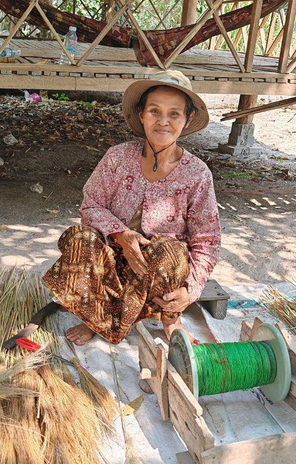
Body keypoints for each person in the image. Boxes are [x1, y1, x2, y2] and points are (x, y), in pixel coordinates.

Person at [43, 70, 221, 346]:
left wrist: (192, 289)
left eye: (175, 114)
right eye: (154, 111)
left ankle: (170, 320)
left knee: (169, 250)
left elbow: (207, 240)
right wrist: (121, 236)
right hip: (110, 269)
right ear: (141, 114)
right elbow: (90, 205)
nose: (163, 121)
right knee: (80, 238)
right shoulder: (117, 157)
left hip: (156, 279)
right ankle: (96, 317)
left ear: (186, 120)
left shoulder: (197, 173)